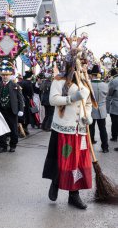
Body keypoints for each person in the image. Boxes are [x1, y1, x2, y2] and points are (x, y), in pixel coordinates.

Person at [42, 51, 95, 210]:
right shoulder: (59, 80)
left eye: (84, 62)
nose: (82, 65)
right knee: (62, 160)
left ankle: (74, 195)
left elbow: (88, 104)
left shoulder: (85, 81)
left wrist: (89, 117)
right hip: (64, 129)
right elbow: (53, 100)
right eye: (79, 62)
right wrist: (72, 98)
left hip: (81, 130)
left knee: (78, 163)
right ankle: (56, 182)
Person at [0, 60, 24, 153]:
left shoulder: (15, 85)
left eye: (6, 75)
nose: (5, 76)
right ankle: (3, 146)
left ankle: (13, 145)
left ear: (9, 75)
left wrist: (21, 109)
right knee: (2, 129)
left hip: (12, 110)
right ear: (1, 75)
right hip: (1, 110)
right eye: (3, 75)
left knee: (13, 129)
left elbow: (20, 99)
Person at [89, 65, 109, 153]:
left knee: (91, 128)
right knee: (103, 129)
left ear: (92, 75)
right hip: (102, 110)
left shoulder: (88, 85)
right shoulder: (105, 85)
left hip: (91, 109)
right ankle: (105, 147)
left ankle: (91, 143)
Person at [107, 68, 118, 147]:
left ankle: (114, 137)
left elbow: (109, 92)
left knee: (114, 122)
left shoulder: (114, 81)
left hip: (116, 104)